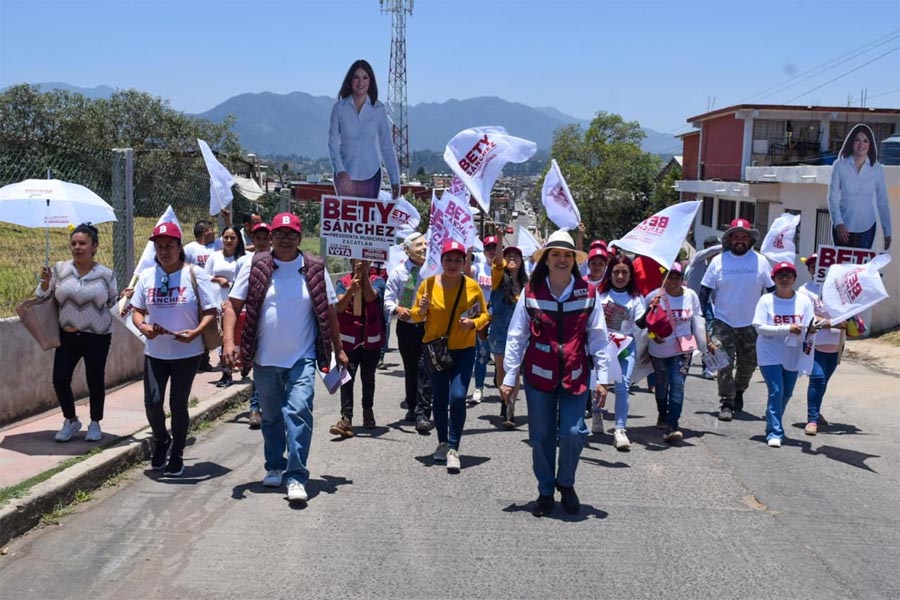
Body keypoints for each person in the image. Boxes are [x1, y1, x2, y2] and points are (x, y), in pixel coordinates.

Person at [222, 212, 347, 502]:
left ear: (300, 238)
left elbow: (329, 311)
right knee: (272, 417)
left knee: (300, 411)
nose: (285, 239)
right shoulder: (255, 266)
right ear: (271, 238)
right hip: (265, 359)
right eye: (280, 234)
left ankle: (296, 475)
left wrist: (338, 348)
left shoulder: (315, 268)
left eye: (291, 235)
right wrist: (229, 341)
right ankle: (275, 466)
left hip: (302, 357)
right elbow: (231, 306)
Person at [502, 230, 609, 516]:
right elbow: (516, 336)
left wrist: (603, 378)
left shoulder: (588, 292)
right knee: (541, 436)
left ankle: (567, 482)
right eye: (555, 254)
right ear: (545, 260)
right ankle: (546, 490)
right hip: (539, 375)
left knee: (574, 432)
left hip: (575, 374)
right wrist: (509, 377)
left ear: (574, 260)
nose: (561, 260)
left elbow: (598, 337)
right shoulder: (531, 292)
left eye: (567, 255)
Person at [130, 222, 218, 477]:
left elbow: (211, 311)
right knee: (153, 403)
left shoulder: (195, 273)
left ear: (180, 247)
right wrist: (143, 326)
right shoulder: (148, 276)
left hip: (186, 353)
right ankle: (162, 440)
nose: (164, 251)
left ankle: (177, 453)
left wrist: (196, 333)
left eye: (169, 245)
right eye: (159, 246)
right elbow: (137, 310)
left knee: (178, 404)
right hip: (155, 352)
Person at [410, 240, 489, 474]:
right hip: (436, 351)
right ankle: (443, 443)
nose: (453, 264)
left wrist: (473, 323)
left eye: (458, 259)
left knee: (457, 397)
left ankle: (454, 447)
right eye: (448, 259)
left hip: (463, 349)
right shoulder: (428, 285)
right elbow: (415, 317)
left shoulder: (472, 287)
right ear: (441, 261)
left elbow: (485, 314)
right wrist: (422, 310)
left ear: (464, 261)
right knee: (440, 399)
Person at [36, 223, 118, 442]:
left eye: (82, 243)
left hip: (97, 336)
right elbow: (43, 296)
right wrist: (45, 283)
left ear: (95, 247)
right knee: (60, 379)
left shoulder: (106, 275)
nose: (77, 247)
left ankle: (95, 423)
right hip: (67, 335)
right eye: (73, 243)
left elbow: (112, 301)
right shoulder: (60, 269)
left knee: (95, 380)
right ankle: (71, 420)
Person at [700, 218, 775, 421]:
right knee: (723, 364)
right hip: (723, 321)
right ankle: (726, 401)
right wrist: (701, 317)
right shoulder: (718, 262)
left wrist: (775, 316)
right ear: (729, 239)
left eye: (744, 237)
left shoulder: (761, 261)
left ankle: (739, 390)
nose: (740, 240)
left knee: (749, 364)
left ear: (750, 239)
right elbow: (705, 291)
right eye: (736, 237)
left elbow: (772, 291)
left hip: (753, 323)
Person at [639, 262, 707, 443]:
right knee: (662, 385)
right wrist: (653, 333)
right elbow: (642, 324)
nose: (673, 280)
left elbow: (698, 320)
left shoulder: (691, 295)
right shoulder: (654, 296)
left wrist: (706, 343)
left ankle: (672, 425)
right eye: (669, 276)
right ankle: (662, 414)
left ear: (682, 278)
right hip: (659, 349)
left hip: (684, 349)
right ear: (663, 278)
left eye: (677, 276)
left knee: (678, 385)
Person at [753, 262, 815, 448]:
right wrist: (787, 328)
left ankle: (773, 421)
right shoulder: (766, 300)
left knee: (786, 392)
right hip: (768, 352)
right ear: (774, 279)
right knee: (776, 391)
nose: (785, 279)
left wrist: (819, 327)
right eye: (780, 275)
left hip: (792, 353)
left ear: (795, 279)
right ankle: (775, 431)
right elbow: (760, 328)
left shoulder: (804, 301)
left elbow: (810, 327)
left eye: (789, 275)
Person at [328, 59, 401, 200]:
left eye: (365, 77)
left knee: (367, 220)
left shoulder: (378, 109)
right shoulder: (339, 108)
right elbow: (332, 143)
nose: (360, 82)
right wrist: (340, 170)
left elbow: (386, 146)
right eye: (356, 77)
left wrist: (395, 180)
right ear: (350, 80)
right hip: (344, 177)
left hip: (371, 175)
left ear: (370, 81)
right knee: (346, 219)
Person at [330, 259, 386, 437]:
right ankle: (346, 417)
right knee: (347, 379)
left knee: (368, 378)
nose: (360, 263)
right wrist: (351, 290)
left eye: (365, 261)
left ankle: (368, 411)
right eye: (357, 260)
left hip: (371, 340)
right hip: (349, 341)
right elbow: (339, 306)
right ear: (351, 261)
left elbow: (371, 297)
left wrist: (364, 279)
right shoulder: (343, 282)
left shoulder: (378, 280)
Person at [384, 232, 432, 432]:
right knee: (411, 369)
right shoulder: (398, 272)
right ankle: (412, 406)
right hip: (406, 327)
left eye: (425, 244)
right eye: (418, 245)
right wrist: (396, 309)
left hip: (428, 327)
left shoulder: (433, 271)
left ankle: (423, 412)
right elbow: (388, 299)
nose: (423, 248)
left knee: (424, 368)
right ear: (407, 250)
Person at [597, 253, 646, 450]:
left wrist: (651, 309)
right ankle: (596, 413)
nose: (619, 276)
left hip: (626, 347)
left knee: (623, 386)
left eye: (624, 272)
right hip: (601, 346)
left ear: (630, 275)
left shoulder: (636, 298)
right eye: (616, 272)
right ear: (610, 274)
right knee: (598, 384)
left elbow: (641, 323)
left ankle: (619, 429)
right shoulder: (600, 295)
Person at [797, 254, 846, 435]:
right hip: (814, 344)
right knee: (817, 379)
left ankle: (816, 412)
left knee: (823, 382)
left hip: (835, 345)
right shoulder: (805, 290)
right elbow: (807, 316)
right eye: (813, 266)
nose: (818, 269)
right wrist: (832, 322)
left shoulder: (839, 289)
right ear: (810, 269)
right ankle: (812, 420)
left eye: (822, 266)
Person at [828, 123, 892, 250]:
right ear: (851, 142)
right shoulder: (840, 165)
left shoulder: (876, 168)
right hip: (842, 227)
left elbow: (882, 201)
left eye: (865, 141)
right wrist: (839, 223)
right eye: (857, 140)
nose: (861, 144)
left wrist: (887, 231)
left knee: (861, 269)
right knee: (843, 268)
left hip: (866, 228)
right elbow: (833, 197)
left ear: (870, 144)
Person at [234, 222, 272, 429]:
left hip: (273, 321)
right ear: (253, 240)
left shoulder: (279, 261)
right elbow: (237, 291)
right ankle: (255, 408)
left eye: (266, 238)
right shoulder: (244, 262)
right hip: (252, 319)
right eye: (258, 238)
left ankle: (270, 405)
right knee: (258, 363)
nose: (262, 242)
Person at [488, 239, 528, 428]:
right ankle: (504, 401)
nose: (512, 258)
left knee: (515, 371)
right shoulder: (498, 279)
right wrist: (498, 239)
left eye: (516, 255)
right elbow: (496, 264)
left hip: (519, 335)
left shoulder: (527, 285)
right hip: (499, 331)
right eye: (508, 255)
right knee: (501, 370)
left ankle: (510, 410)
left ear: (521, 260)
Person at [204, 225, 245, 387]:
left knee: (238, 340)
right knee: (224, 340)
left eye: (232, 238)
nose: (228, 241)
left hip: (239, 306)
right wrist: (217, 280)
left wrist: (229, 283)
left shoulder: (245, 258)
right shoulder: (214, 257)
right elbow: (203, 276)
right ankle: (226, 373)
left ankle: (244, 365)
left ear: (238, 240)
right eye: (225, 237)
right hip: (217, 303)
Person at [468, 234, 498, 405]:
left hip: (497, 317)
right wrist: (467, 254)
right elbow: (466, 273)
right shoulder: (478, 267)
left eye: (495, 248)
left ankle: (498, 374)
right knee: (481, 353)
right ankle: (479, 387)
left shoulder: (502, 269)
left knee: (497, 352)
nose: (492, 252)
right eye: (488, 248)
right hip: (479, 317)